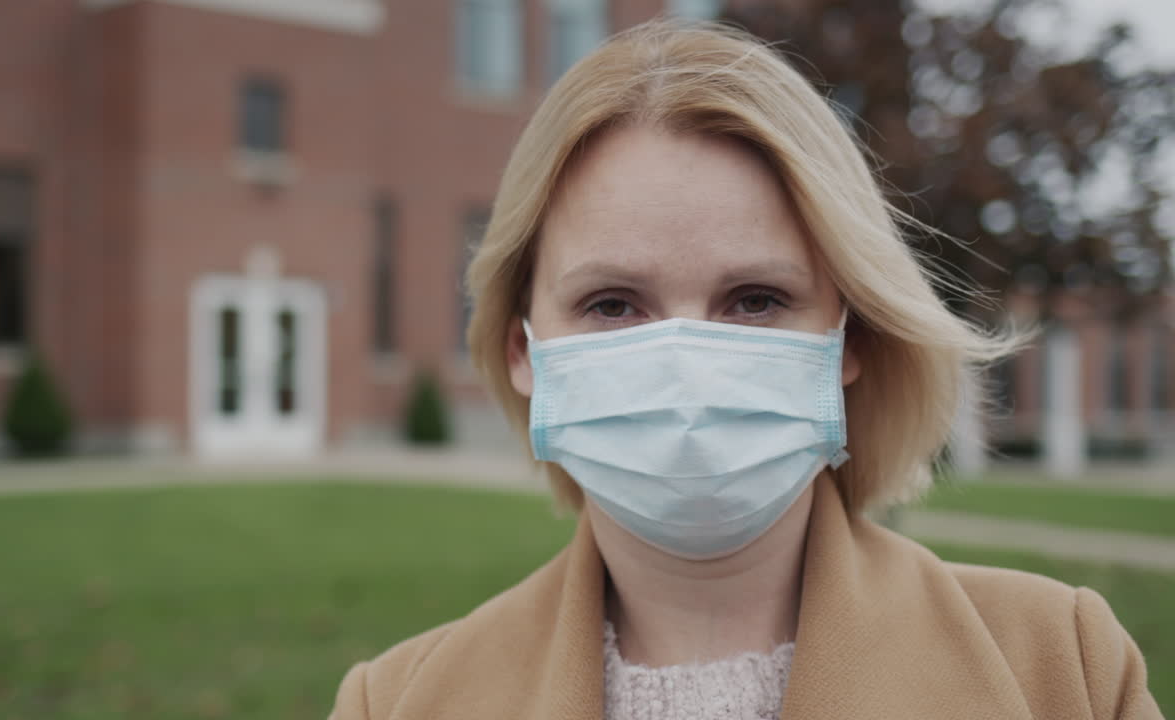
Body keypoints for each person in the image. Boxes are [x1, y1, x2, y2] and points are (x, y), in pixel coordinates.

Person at [329, 19, 1162, 720]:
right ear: (524, 353)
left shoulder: (1062, 670)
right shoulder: (398, 703)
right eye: (613, 304)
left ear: (850, 338)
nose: (687, 367)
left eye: (756, 300)